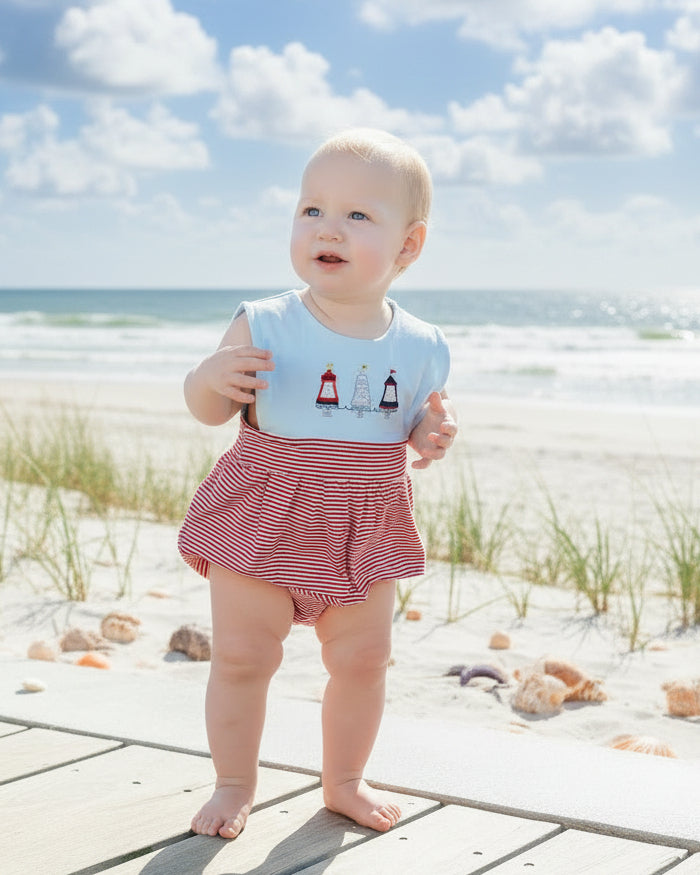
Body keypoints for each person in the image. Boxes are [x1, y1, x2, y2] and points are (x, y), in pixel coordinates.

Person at [178, 128, 457, 840]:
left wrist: (430, 432)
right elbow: (210, 410)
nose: (327, 227)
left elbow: (413, 421)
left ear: (409, 245)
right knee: (243, 657)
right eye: (312, 209)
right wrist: (209, 378)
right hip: (265, 511)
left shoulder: (421, 344)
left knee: (363, 660)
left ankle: (344, 781)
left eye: (358, 214)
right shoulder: (266, 321)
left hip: (364, 520)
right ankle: (234, 783)